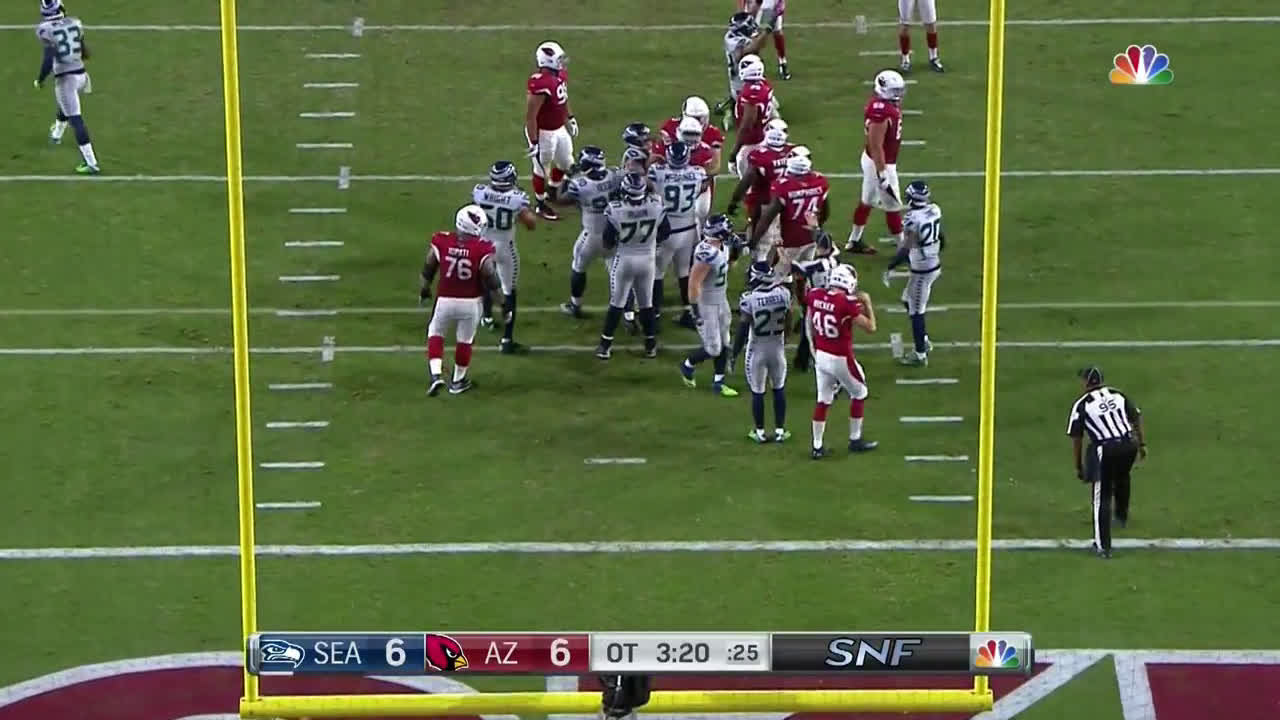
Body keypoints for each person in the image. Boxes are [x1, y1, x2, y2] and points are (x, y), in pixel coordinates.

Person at [420, 206, 501, 396]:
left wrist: (424, 289)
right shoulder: (482, 248)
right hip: (471, 303)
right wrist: (503, 303)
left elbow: (428, 268)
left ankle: (436, 375)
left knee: (435, 333)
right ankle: (458, 380)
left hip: (445, 300)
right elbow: (491, 277)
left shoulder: (442, 241)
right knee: (465, 340)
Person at [1067, 366, 1147, 558]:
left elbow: (1076, 438)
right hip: (1129, 444)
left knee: (1101, 496)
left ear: (1086, 383)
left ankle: (1103, 546)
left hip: (1107, 447)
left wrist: (1079, 466)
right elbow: (1135, 417)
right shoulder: (1117, 395)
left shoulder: (1082, 405)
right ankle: (1121, 516)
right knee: (1122, 476)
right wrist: (1142, 443)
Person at [806, 265, 878, 458]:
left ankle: (817, 446)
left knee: (823, 400)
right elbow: (871, 327)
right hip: (840, 357)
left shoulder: (814, 295)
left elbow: (820, 301)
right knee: (860, 392)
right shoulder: (846, 303)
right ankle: (855, 439)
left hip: (821, 355)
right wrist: (868, 304)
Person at [471, 161, 538, 353]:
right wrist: (521, 213)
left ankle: (487, 317)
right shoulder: (517, 198)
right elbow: (530, 224)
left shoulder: (480, 192)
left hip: (483, 245)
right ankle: (507, 340)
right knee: (509, 292)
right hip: (504, 247)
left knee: (486, 278)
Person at [34, 0, 99, 174]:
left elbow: (49, 57)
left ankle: (91, 162)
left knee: (75, 119)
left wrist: (40, 79)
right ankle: (56, 134)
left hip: (66, 79)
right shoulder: (75, 22)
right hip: (82, 75)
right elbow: (84, 49)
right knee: (67, 105)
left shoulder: (45, 29)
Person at [883, 179, 943, 366]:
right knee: (907, 300)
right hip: (931, 262)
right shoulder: (935, 209)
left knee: (917, 312)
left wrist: (891, 266)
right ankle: (923, 340)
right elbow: (941, 235)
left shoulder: (911, 219)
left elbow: (906, 248)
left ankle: (920, 353)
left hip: (922, 269)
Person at [731, 261, 792, 443]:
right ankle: (780, 431)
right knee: (779, 388)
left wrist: (734, 353)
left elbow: (743, 328)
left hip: (757, 349)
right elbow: (789, 319)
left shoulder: (750, 298)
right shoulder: (783, 294)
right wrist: (786, 337)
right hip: (777, 347)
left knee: (758, 392)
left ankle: (759, 432)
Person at [524, 41, 577, 220]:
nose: (562, 62)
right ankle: (540, 204)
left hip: (559, 128)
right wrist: (534, 142)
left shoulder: (559, 76)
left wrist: (570, 117)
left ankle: (553, 190)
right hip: (543, 132)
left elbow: (564, 98)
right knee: (541, 168)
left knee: (566, 162)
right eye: (558, 59)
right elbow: (531, 116)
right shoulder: (539, 84)